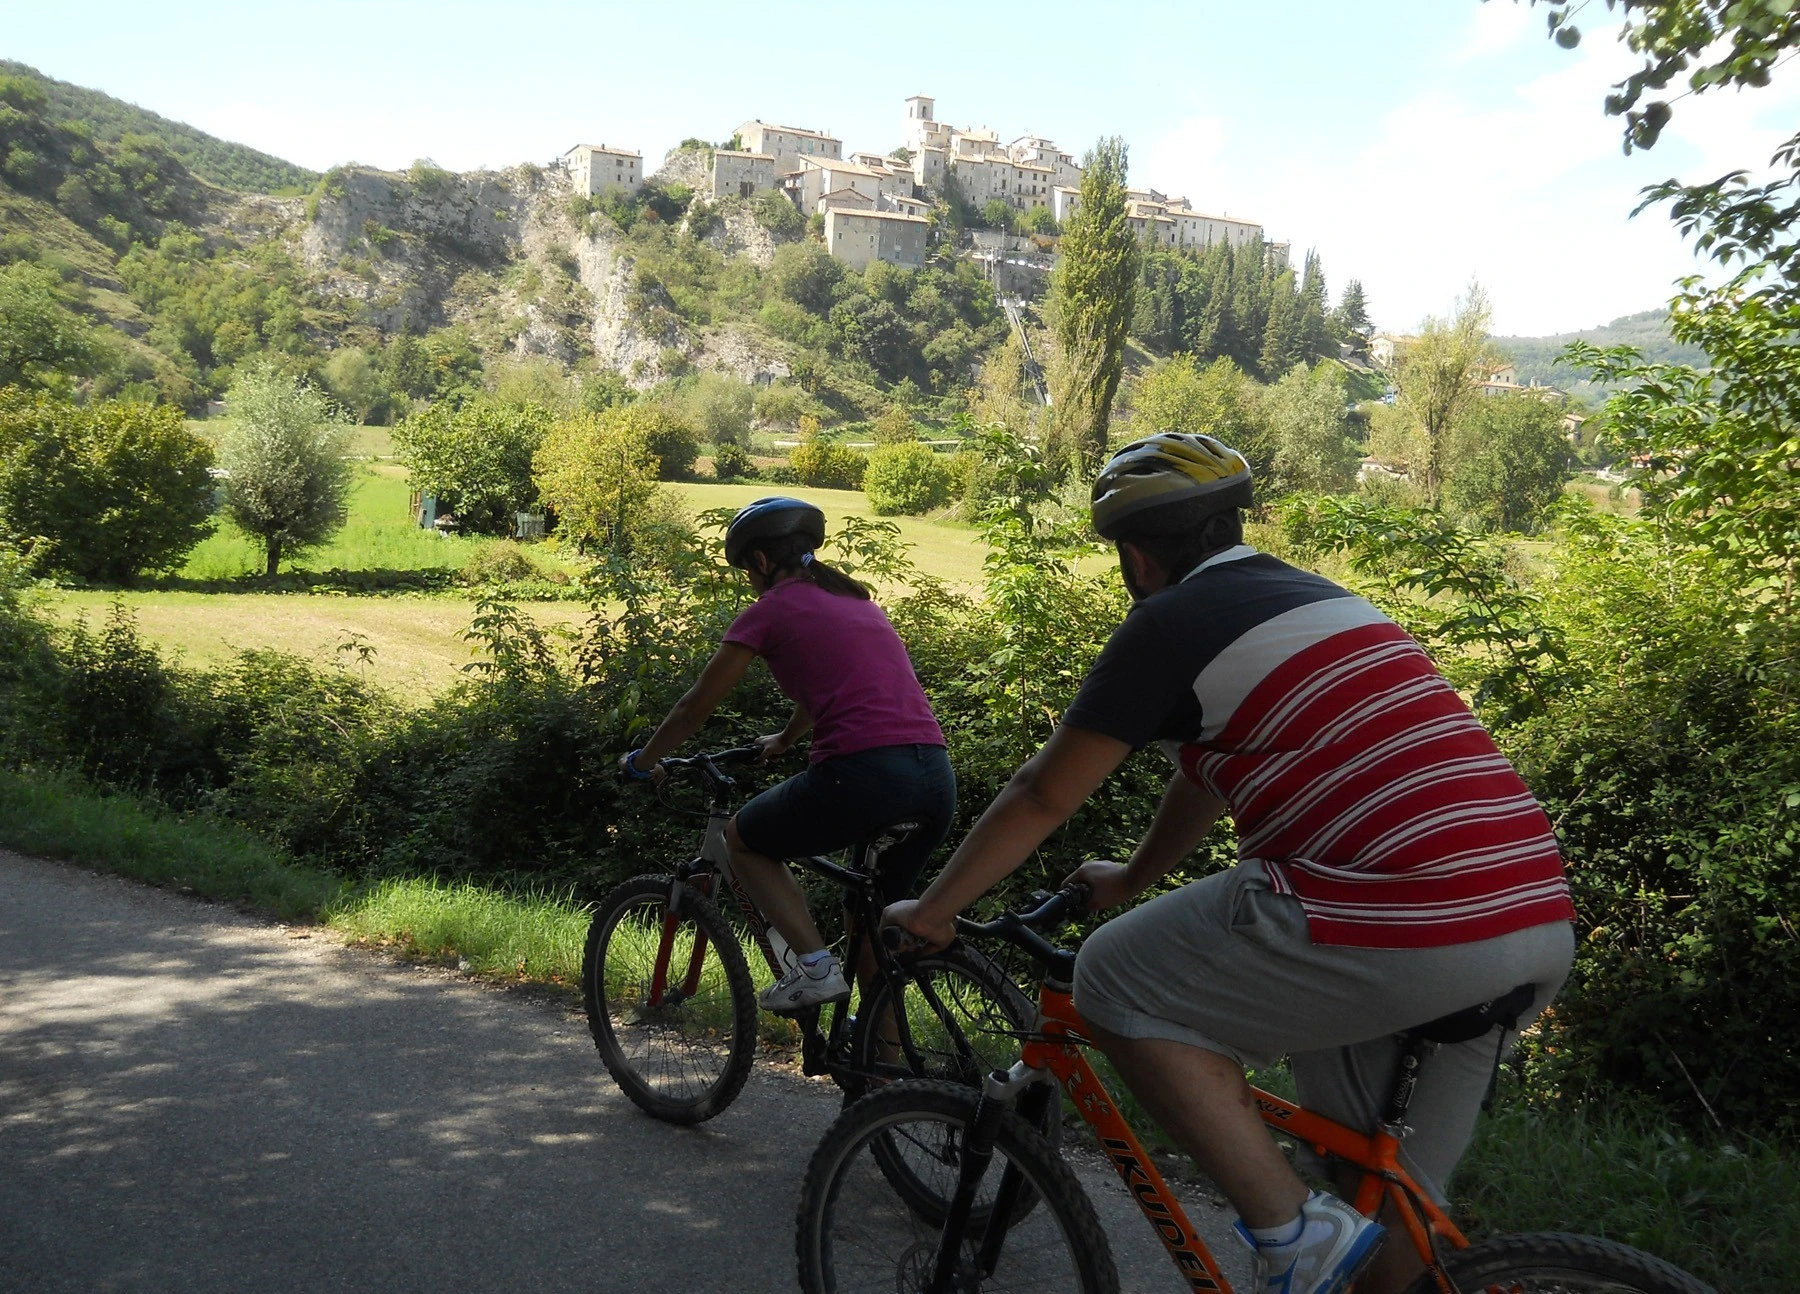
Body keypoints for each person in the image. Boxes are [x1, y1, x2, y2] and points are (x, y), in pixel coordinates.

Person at [883, 434, 1576, 1294]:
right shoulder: (1319, 598)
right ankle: (1351, 1249)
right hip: (1531, 916)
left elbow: (1040, 794)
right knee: (1386, 1207)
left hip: (1399, 909)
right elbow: (1205, 776)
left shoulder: (1171, 624)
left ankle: (1290, 1239)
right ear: (1229, 525)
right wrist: (1133, 877)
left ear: (1135, 556)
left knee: (1111, 980)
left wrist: (933, 910)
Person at [620, 496, 955, 1013]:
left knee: (743, 841)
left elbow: (694, 708)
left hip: (864, 775)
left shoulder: (770, 610)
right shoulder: (857, 602)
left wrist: (644, 762)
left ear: (759, 561)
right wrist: (784, 740)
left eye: (745, 570)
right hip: (933, 776)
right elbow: (830, 689)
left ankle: (815, 970)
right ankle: (884, 1074)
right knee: (869, 923)